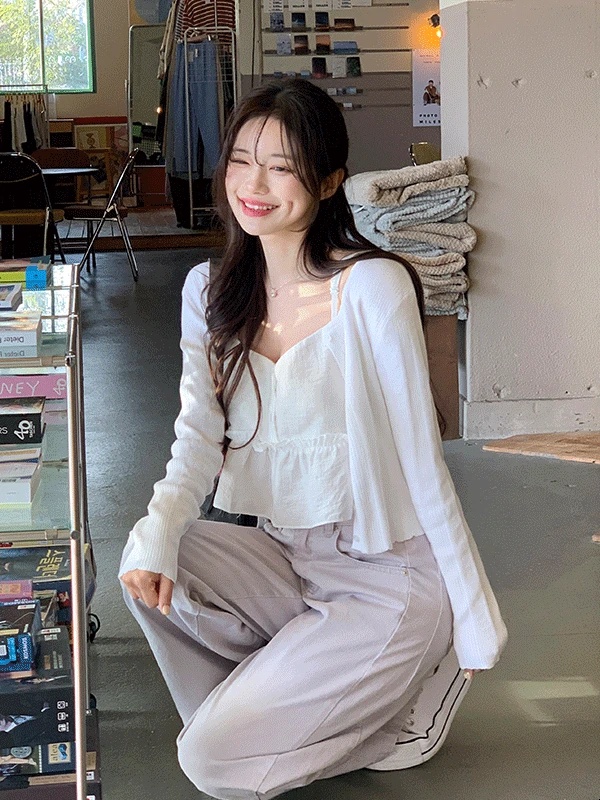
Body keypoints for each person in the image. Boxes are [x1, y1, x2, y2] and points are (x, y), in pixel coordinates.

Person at [119, 78, 507, 800]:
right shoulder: (210, 290)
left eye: (282, 166)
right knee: (150, 559)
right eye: (242, 161)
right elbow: (197, 436)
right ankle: (301, 705)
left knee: (209, 762)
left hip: (386, 575)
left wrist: (473, 610)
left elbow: (423, 461)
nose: (254, 185)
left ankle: (404, 704)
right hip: (286, 558)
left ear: (329, 182)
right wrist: (159, 529)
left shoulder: (371, 286)